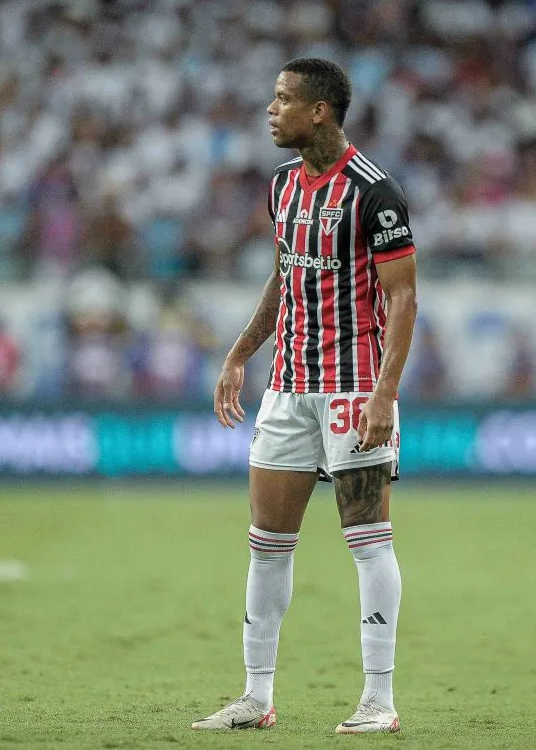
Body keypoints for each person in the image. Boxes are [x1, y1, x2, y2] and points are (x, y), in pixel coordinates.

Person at [191, 58, 417, 735]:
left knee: (368, 540)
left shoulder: (375, 193)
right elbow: (284, 275)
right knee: (266, 543)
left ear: (320, 111)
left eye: (284, 98)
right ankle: (256, 697)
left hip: (353, 389)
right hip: (287, 389)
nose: (271, 108)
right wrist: (239, 353)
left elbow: (403, 298)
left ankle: (379, 699)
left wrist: (385, 392)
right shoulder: (284, 184)